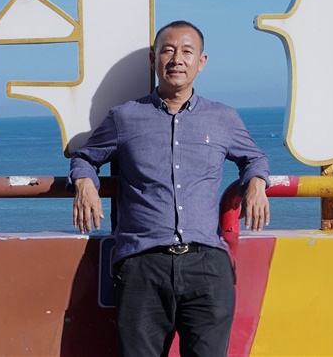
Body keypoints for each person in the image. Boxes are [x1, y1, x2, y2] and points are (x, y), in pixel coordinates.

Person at [69, 20, 270, 357]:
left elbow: (254, 158)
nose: (177, 59)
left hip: (207, 264)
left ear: (201, 62)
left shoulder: (223, 118)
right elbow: (85, 157)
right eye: (168, 50)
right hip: (142, 264)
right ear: (154, 59)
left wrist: (256, 184)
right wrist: (85, 182)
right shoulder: (125, 117)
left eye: (187, 52)